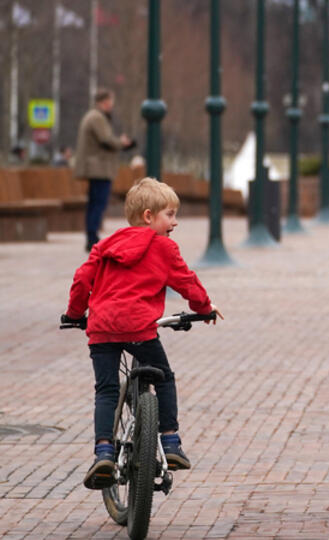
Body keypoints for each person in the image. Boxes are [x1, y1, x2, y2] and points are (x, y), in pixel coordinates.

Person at [63, 177, 223, 490]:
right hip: (139, 328)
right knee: (163, 377)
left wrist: (73, 314)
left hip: (101, 329)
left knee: (107, 390)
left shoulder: (105, 245)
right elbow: (187, 282)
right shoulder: (163, 247)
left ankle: (104, 452)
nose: (175, 222)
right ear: (148, 216)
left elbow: (82, 281)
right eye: (170, 215)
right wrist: (204, 308)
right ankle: (171, 441)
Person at [74, 88, 132, 251]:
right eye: (110, 101)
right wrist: (122, 143)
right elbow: (106, 139)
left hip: (96, 167)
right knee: (98, 203)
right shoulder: (97, 117)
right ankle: (92, 237)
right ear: (105, 101)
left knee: (95, 203)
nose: (111, 105)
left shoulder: (93, 116)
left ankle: (92, 236)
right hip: (98, 168)